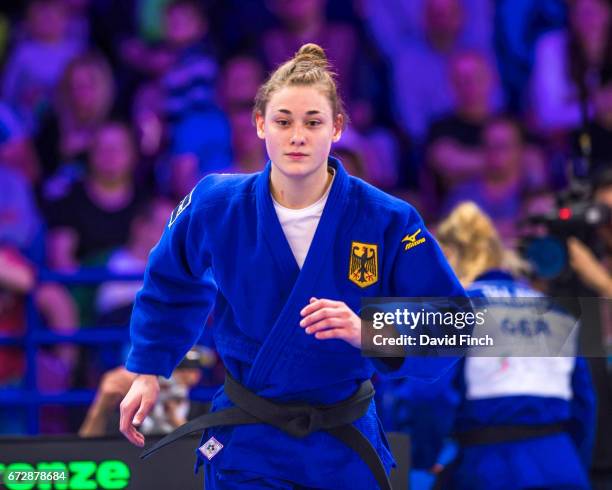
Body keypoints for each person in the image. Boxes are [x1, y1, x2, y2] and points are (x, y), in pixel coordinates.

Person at [119, 43, 465, 489]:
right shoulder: (216, 203)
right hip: (251, 442)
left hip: (342, 446)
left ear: (337, 127)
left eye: (313, 122)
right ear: (260, 124)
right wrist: (149, 368)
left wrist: (370, 331)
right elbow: (170, 281)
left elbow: (455, 322)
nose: (297, 136)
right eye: (283, 121)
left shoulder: (387, 218)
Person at [431, 202, 595, 489]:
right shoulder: (557, 312)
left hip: (489, 468)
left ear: (447, 256)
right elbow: (584, 405)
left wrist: (425, 456)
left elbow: (430, 396)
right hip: (562, 466)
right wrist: (569, 462)